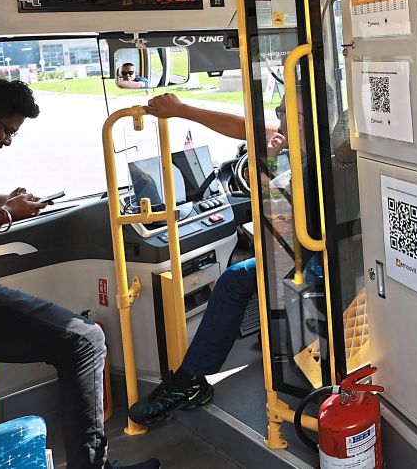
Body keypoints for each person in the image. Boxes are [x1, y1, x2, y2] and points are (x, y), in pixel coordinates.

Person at [0, 78, 159, 469]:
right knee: (85, 341)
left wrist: (9, 201)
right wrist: (5, 214)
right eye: (8, 131)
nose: (7, 142)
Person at [128, 92, 355, 425]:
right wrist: (181, 110)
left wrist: (267, 160)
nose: (277, 119)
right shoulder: (329, 147)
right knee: (242, 272)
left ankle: (189, 382)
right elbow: (246, 127)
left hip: (309, 262)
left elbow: (273, 210)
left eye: (282, 112)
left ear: (300, 120)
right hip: (319, 254)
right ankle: (198, 375)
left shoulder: (313, 168)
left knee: (234, 280)